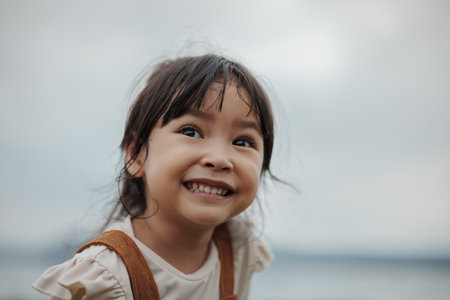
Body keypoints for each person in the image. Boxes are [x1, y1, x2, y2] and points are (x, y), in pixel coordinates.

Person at [33, 54, 276, 300]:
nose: (220, 158)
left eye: (243, 141)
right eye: (191, 132)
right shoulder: (108, 277)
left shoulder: (238, 248)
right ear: (138, 155)